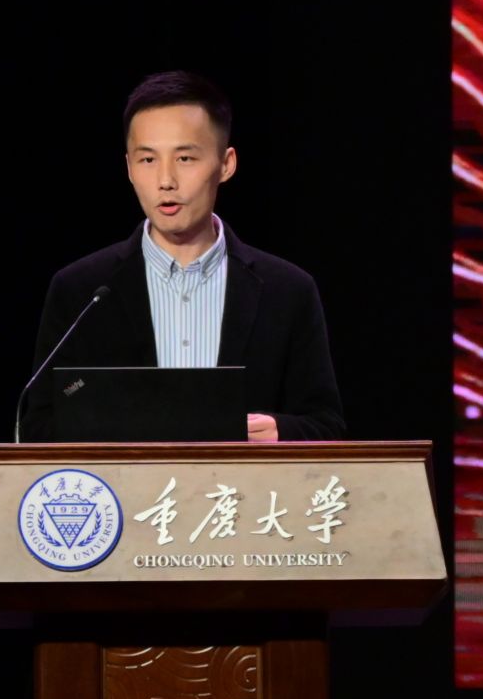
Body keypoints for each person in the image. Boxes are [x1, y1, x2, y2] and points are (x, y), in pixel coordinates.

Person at [17, 70, 346, 442]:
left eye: (185, 158)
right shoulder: (81, 291)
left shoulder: (287, 291)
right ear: (129, 168)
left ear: (226, 164)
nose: (165, 181)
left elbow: (327, 425)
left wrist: (280, 432)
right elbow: (37, 426)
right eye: (147, 160)